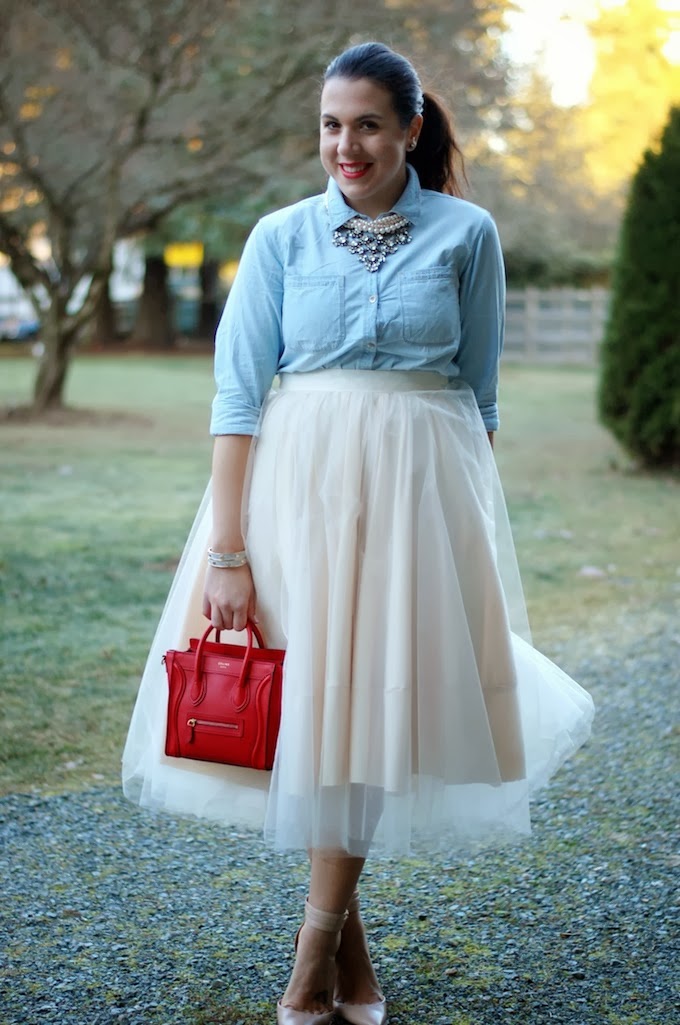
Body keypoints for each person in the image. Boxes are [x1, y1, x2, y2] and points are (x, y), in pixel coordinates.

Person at [123, 41, 594, 1025]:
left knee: (372, 713)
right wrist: (226, 550)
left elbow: (480, 398)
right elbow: (236, 397)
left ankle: (312, 962)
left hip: (418, 506)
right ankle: (345, 963)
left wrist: (459, 531)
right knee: (321, 715)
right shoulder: (280, 237)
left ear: (410, 130)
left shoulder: (467, 234)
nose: (346, 144)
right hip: (296, 500)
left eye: (367, 124)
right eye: (331, 125)